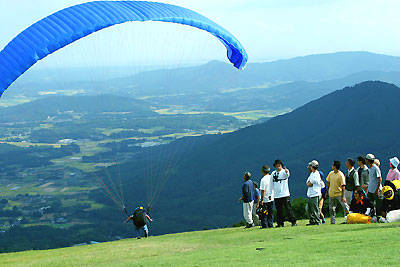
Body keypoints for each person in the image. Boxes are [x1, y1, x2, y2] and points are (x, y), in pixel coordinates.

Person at [270, 159, 297, 227]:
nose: (278, 167)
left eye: (279, 166)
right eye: (277, 166)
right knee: (279, 210)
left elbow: (287, 175)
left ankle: (293, 221)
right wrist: (271, 193)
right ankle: (280, 223)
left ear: (281, 166)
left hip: (285, 194)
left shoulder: (284, 172)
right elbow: (271, 184)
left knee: (288, 208)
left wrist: (286, 172)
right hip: (276, 194)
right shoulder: (273, 173)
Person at [306, 160, 324, 225]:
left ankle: (316, 221)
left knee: (315, 209)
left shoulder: (316, 174)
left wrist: (309, 183)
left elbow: (310, 184)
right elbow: (308, 182)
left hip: (315, 194)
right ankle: (312, 221)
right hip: (311, 194)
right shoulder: (312, 174)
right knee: (309, 209)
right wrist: (309, 183)